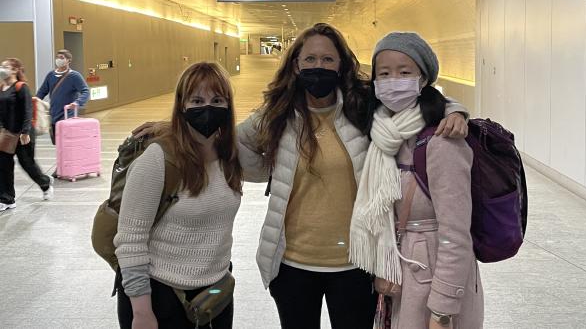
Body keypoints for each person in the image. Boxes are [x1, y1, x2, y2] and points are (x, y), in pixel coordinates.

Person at [236, 23, 469, 329]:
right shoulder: (278, 114)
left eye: (328, 59)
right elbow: (234, 140)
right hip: (292, 263)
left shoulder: (362, 107)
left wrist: (455, 111)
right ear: (296, 65)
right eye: (310, 59)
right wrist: (271, 168)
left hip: (355, 263)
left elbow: (416, 102)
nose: (318, 67)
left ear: (342, 65)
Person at [349, 32, 483, 329]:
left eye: (404, 72)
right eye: (384, 73)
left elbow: (456, 234)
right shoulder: (381, 135)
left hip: (434, 282)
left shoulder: (443, 140)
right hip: (402, 277)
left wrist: (443, 310)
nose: (393, 80)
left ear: (423, 80)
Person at [114, 62, 242, 329]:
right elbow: (130, 240)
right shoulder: (157, 159)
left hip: (215, 295)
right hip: (161, 298)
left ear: (228, 106)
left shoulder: (229, 156)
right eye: (197, 100)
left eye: (217, 100)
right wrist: (141, 312)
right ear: (182, 106)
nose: (207, 108)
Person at [0, 58, 53, 211]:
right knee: (3, 166)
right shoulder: (2, 87)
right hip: (7, 134)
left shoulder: (21, 87)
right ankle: (7, 199)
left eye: (6, 66)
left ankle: (45, 183)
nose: (2, 68)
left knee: (27, 163)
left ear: (15, 70)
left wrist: (25, 132)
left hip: (23, 133)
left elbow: (27, 111)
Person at [36, 49, 90, 146]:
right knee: (57, 144)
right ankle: (62, 161)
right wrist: (35, 100)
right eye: (57, 57)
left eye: (62, 58)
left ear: (68, 60)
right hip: (54, 116)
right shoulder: (51, 75)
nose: (58, 60)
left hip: (67, 116)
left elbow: (85, 91)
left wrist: (77, 103)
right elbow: (42, 91)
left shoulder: (74, 76)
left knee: (67, 144)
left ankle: (69, 160)